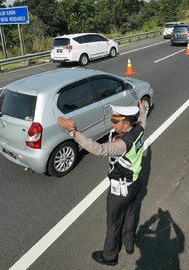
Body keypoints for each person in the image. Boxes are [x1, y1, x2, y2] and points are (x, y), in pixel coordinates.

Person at [57, 101, 147, 266]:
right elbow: (143, 118)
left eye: (115, 121)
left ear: (126, 123)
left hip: (120, 188)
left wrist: (73, 131)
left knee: (113, 222)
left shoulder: (122, 144)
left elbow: (99, 149)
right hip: (135, 183)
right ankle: (129, 244)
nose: (112, 123)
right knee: (129, 214)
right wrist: (141, 108)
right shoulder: (139, 129)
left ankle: (110, 256)